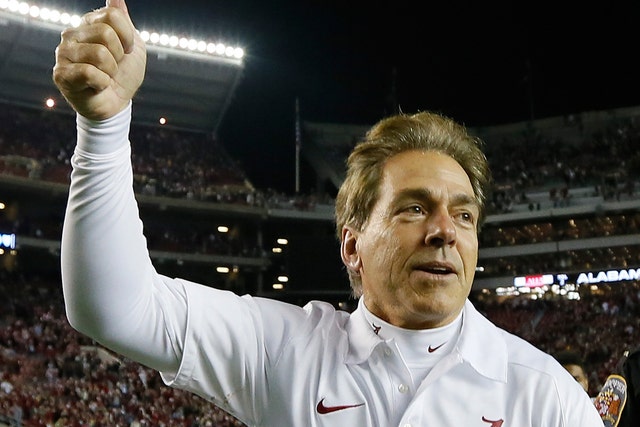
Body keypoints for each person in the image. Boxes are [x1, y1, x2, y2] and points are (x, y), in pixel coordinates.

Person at [52, 1, 603, 425]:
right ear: (352, 245)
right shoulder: (283, 351)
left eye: (463, 216)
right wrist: (103, 127)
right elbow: (114, 308)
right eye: (415, 208)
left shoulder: (546, 395)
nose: (444, 232)